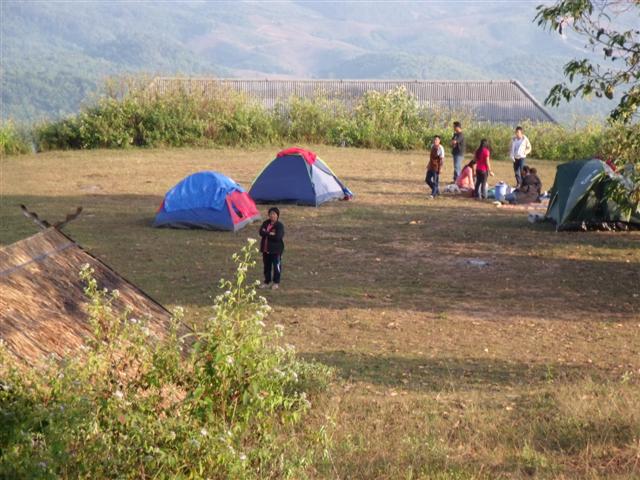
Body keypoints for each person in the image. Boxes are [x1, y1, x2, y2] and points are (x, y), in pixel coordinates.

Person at [259, 207, 285, 290]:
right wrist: (270, 233)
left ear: (277, 215)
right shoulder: (266, 223)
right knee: (267, 266)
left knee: (276, 266)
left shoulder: (279, 226)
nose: (272, 215)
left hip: (276, 250)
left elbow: (278, 237)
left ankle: (276, 282)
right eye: (270, 214)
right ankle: (267, 281)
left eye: (274, 214)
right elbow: (261, 232)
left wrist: (266, 233)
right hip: (266, 249)